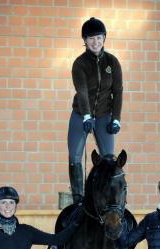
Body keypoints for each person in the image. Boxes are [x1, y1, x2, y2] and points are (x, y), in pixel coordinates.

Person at [68, 17, 123, 203]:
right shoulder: (79, 64)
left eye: (99, 37)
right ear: (84, 40)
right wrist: (85, 116)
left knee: (108, 159)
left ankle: (109, 197)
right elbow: (82, 91)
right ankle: (77, 199)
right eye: (90, 38)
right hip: (80, 114)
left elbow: (118, 91)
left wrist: (116, 119)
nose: (95, 42)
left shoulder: (112, 62)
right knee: (75, 156)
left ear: (104, 38)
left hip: (103, 115)